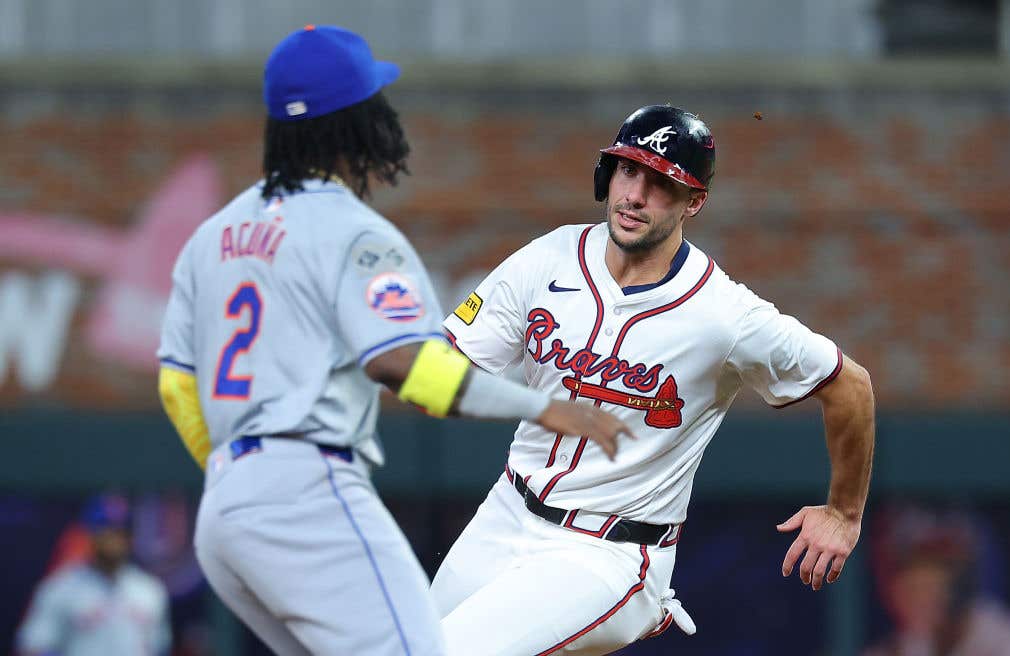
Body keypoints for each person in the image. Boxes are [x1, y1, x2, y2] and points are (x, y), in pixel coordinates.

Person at [155, 24, 631, 656]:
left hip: (223, 512)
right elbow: (404, 366)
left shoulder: (212, 237)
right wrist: (539, 405)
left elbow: (176, 385)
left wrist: (239, 477)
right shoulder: (356, 234)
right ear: (355, 122)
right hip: (307, 488)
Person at [431, 104, 877, 655]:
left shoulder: (725, 315)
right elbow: (442, 374)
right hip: (507, 511)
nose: (635, 195)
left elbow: (848, 384)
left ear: (695, 201)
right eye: (628, 170)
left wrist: (843, 512)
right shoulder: (548, 258)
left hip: (608, 552)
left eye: (662, 182)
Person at [16, 494, 171, 656]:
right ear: (90, 534)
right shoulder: (61, 587)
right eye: (106, 529)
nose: (113, 538)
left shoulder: (149, 590)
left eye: (120, 531)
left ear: (130, 536)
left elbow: (159, 647)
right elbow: (34, 645)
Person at [863, 505, 1010, 656]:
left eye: (928, 587)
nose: (920, 599)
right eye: (912, 589)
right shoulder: (908, 644)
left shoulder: (1005, 640)